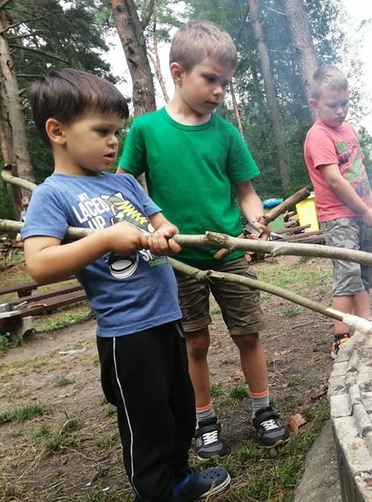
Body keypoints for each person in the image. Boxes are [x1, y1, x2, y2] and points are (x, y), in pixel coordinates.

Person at [20, 68, 230, 502]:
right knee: (146, 423)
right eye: (101, 131)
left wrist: (165, 231)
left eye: (117, 131)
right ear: (57, 131)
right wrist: (103, 240)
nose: (114, 142)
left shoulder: (124, 183)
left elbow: (160, 223)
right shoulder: (52, 195)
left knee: (179, 411)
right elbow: (38, 264)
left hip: (166, 318)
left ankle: (180, 477)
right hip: (127, 335)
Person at [117, 20, 290, 459]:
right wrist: (146, 230)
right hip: (177, 258)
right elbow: (123, 187)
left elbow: (246, 193)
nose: (219, 91)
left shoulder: (226, 133)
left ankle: (262, 409)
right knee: (195, 341)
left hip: (228, 250)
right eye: (210, 79)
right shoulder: (146, 130)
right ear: (178, 73)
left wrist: (257, 222)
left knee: (248, 334)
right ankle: (204, 419)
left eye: (225, 83)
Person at [303, 65, 372, 360]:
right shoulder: (318, 136)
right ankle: (341, 337)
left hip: (361, 212)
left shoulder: (348, 131)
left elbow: (360, 172)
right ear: (315, 105)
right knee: (347, 274)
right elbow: (335, 180)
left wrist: (371, 205)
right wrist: (363, 211)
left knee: (364, 271)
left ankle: (368, 328)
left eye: (344, 103)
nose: (340, 111)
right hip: (339, 216)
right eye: (332, 105)